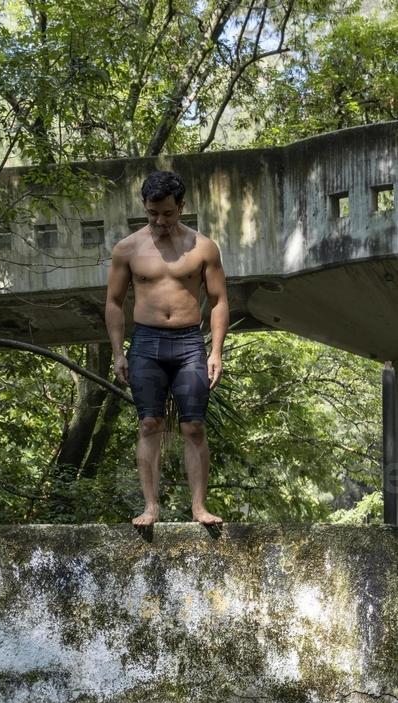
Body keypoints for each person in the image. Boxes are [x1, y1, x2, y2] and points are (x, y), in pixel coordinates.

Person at [105, 170, 229, 527]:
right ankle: (150, 508)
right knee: (149, 423)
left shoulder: (203, 247)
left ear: (182, 207)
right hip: (146, 342)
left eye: (168, 213)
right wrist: (118, 352)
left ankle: (199, 508)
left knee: (194, 427)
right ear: (145, 208)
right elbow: (113, 303)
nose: (160, 221)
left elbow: (219, 300)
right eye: (152, 213)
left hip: (189, 342)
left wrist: (216, 351)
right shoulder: (127, 249)